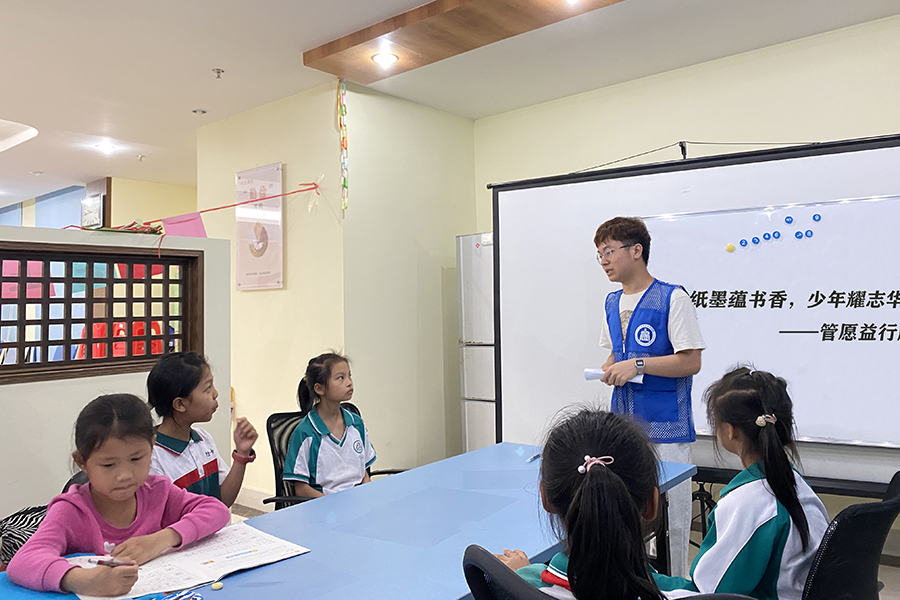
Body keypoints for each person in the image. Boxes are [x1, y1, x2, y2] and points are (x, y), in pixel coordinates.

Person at [6, 394, 229, 596]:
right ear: (82, 462)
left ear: (152, 447)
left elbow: (216, 510)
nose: (124, 475)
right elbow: (22, 563)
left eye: (136, 459)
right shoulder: (71, 511)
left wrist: (161, 540)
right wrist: (82, 580)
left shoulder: (158, 491)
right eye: (108, 465)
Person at [654, 367, 829, 600]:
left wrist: (641, 576)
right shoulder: (798, 485)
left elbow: (709, 592)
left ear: (729, 431)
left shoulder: (746, 504)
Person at [595, 216, 704, 576]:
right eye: (600, 255)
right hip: (624, 431)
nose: (604, 261)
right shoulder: (611, 303)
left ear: (636, 251)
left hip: (666, 429)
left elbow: (690, 362)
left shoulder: (673, 298)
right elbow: (616, 354)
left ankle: (674, 586)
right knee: (627, 519)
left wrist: (638, 365)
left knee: (671, 523)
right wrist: (610, 368)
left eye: (609, 251)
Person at [494, 409, 664, 600]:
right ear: (652, 503)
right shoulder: (680, 593)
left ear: (545, 498)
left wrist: (524, 574)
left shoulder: (517, 589)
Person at [147, 352, 258, 507]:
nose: (215, 394)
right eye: (207, 388)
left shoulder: (203, 439)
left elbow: (223, 500)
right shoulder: (154, 459)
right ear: (180, 404)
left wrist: (242, 455)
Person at [283, 352, 376, 498]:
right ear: (319, 389)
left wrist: (367, 495)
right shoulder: (305, 432)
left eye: (349, 376)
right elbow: (300, 488)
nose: (349, 382)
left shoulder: (356, 424)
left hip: (357, 501)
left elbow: (363, 471)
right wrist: (331, 504)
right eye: (340, 378)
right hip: (324, 505)